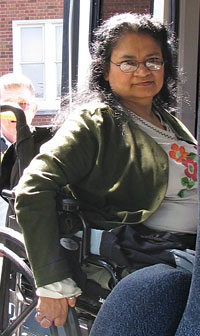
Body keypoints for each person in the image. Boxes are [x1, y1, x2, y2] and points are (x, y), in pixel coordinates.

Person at [14, 13, 197, 331]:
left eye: (153, 60)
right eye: (128, 62)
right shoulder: (96, 120)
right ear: (105, 70)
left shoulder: (168, 121)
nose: (143, 71)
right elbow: (34, 185)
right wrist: (51, 280)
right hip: (150, 250)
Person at [0, 73, 37, 227]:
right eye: (8, 105)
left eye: (23, 104)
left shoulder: (49, 147)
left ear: (34, 109)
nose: (16, 111)